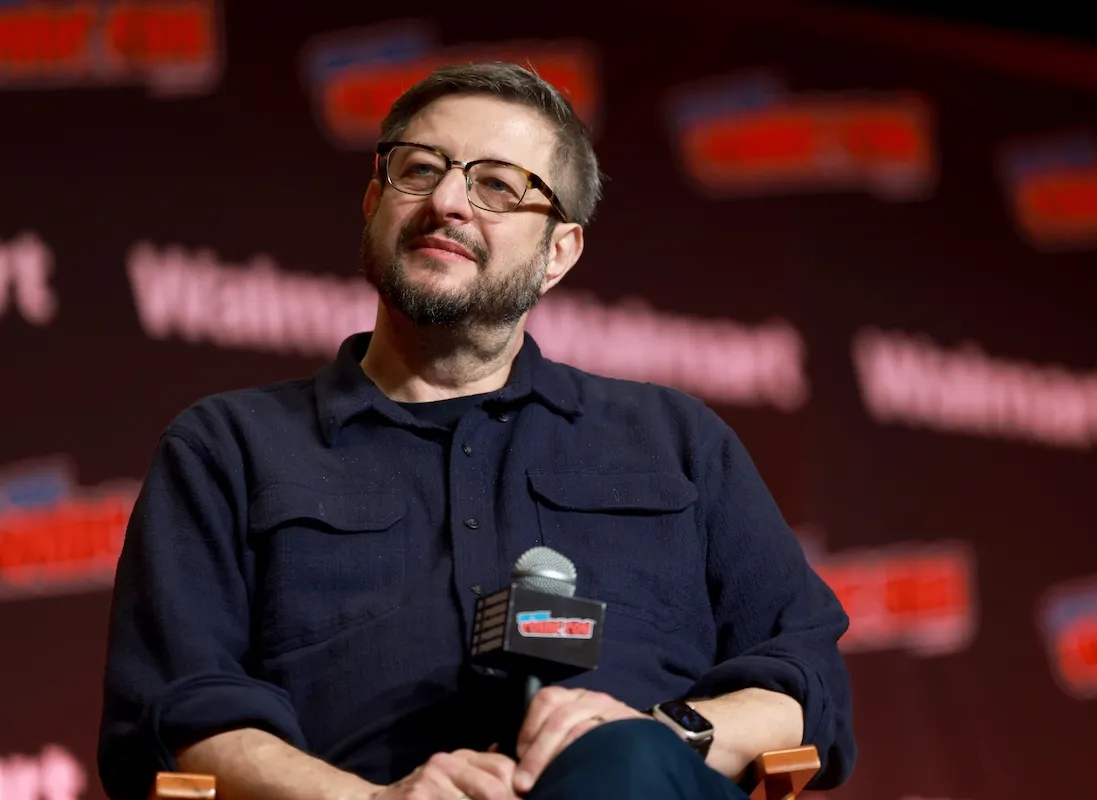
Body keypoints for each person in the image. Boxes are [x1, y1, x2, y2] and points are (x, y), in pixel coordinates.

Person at [97, 62, 855, 800]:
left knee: (621, 758)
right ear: (372, 200)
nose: (449, 202)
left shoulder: (675, 441)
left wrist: (668, 734)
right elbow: (178, 711)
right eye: (421, 170)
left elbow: (805, 674)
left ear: (558, 252)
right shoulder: (230, 448)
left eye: (497, 185)